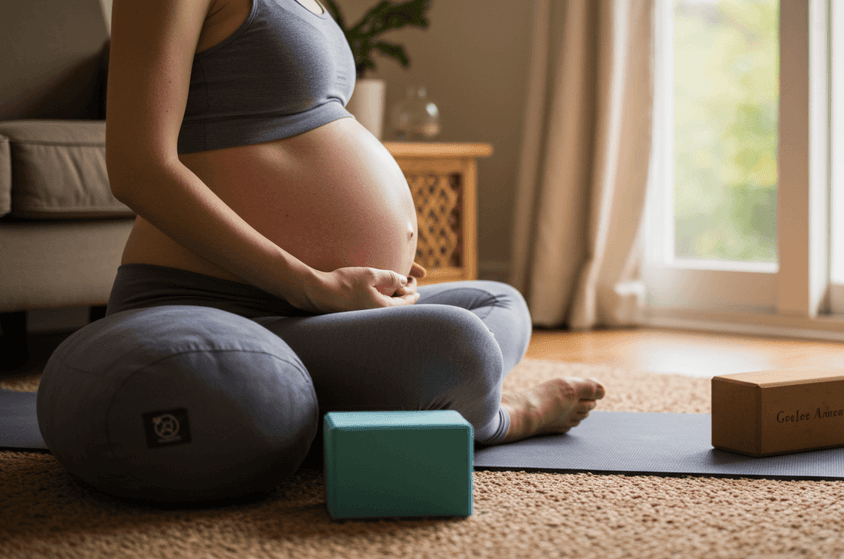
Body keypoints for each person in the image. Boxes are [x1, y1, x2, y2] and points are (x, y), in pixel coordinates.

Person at [103, 0, 606, 445]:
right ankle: (501, 418)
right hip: (219, 304)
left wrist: (367, 262)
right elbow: (138, 169)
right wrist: (310, 284)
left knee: (500, 303)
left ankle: (402, 398)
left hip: (315, 307)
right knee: (460, 343)